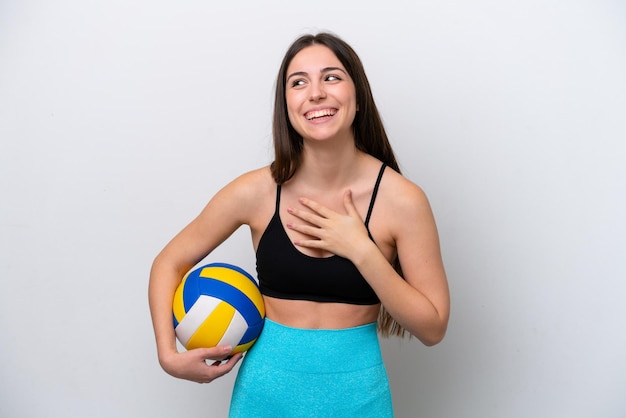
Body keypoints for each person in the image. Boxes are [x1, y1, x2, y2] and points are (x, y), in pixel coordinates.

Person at [149, 32, 450, 417]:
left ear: (358, 99)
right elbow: (168, 262)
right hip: (263, 400)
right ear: (287, 106)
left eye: (332, 77)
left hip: (359, 402)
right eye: (299, 82)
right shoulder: (255, 191)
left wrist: (360, 249)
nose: (316, 93)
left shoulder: (402, 200)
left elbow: (433, 327)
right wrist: (167, 355)